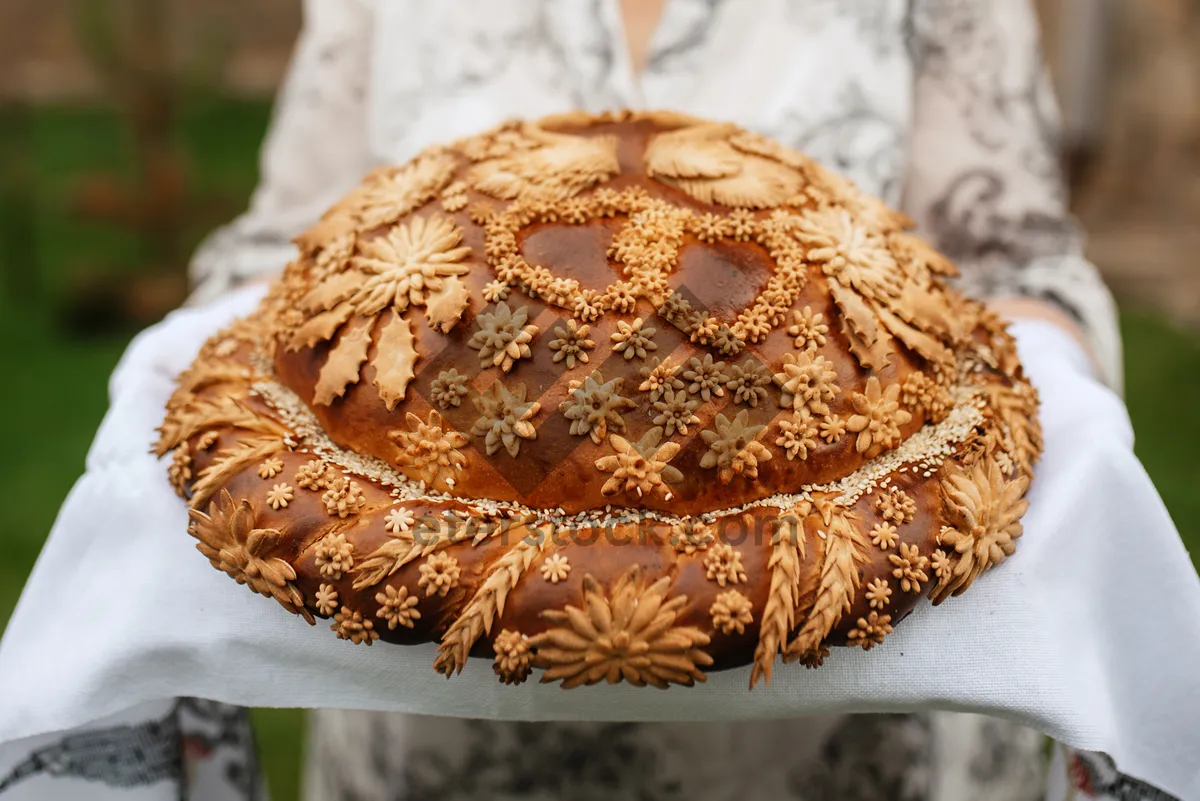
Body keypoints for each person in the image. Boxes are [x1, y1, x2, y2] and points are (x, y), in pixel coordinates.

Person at [185, 1, 1145, 799]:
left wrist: (1051, 386)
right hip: (434, 718)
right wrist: (211, 368)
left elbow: (1020, 260)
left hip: (854, 733)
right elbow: (286, 249)